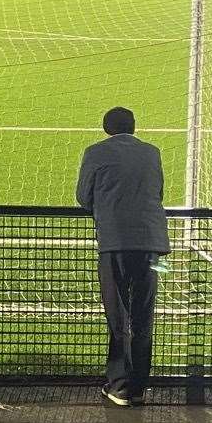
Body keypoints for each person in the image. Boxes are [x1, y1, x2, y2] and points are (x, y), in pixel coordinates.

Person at [75, 106, 171, 407]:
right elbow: (158, 192)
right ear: (134, 126)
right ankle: (139, 386)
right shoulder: (152, 152)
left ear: (106, 127)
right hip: (154, 245)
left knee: (118, 315)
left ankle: (119, 386)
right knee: (144, 313)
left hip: (115, 243)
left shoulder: (95, 152)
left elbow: (83, 197)